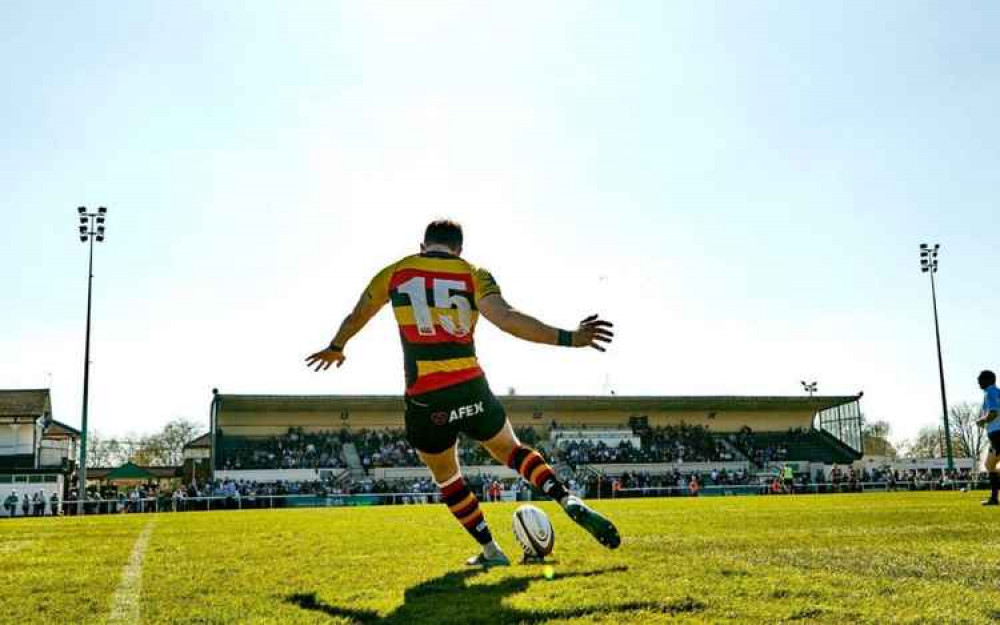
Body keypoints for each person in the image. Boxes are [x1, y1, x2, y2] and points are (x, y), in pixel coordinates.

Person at [306, 220, 620, 567]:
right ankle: (564, 498)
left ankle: (491, 551)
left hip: (426, 396)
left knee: (448, 478)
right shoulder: (473, 273)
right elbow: (507, 318)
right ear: (459, 249)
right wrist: (570, 338)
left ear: (423, 245)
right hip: (471, 384)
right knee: (513, 452)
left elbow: (357, 315)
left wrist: (336, 346)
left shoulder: (395, 272)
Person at [976, 370, 1000, 506]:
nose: (978, 382)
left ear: (988, 380)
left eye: (980, 379)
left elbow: (994, 412)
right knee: (989, 465)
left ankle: (994, 498)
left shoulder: (989, 392)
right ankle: (994, 498)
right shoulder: (998, 392)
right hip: (996, 435)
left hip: (997, 434)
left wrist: (982, 420)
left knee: (990, 465)